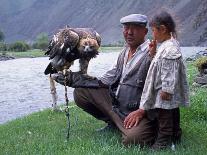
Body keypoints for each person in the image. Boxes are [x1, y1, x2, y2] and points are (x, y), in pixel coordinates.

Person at [52, 14, 157, 147]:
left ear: (145, 32)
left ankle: (128, 127)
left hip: (140, 111)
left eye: (135, 28)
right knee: (82, 92)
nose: (129, 32)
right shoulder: (124, 53)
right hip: (118, 105)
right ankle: (115, 123)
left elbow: (159, 90)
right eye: (126, 28)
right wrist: (74, 79)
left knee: (133, 140)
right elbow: (106, 79)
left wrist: (142, 111)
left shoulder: (152, 53)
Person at [136, 11, 189, 150]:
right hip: (165, 88)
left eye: (153, 30)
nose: (152, 34)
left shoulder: (169, 49)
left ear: (163, 29)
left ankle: (163, 142)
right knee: (173, 111)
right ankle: (176, 134)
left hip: (164, 90)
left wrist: (167, 89)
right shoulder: (167, 45)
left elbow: (169, 71)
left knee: (164, 115)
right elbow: (161, 66)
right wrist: (153, 53)